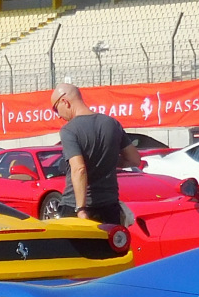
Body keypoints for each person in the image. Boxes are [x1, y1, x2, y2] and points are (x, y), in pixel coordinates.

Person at [51, 83, 140, 223]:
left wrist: (80, 209)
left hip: (77, 206)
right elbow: (135, 159)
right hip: (109, 206)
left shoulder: (69, 130)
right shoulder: (112, 124)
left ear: (65, 102)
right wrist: (109, 160)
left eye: (56, 110)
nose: (59, 116)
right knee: (106, 245)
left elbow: (79, 169)